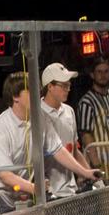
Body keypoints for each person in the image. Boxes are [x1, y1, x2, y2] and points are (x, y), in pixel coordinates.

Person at [0, 72, 99, 213]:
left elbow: (58, 150)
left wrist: (86, 172)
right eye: (30, 89)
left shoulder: (40, 118)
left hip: (16, 193)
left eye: (37, 89)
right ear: (15, 97)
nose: (37, 93)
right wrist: (34, 188)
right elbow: (5, 175)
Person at [37, 63, 91, 199]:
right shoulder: (37, 113)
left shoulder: (69, 111)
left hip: (71, 190)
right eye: (64, 86)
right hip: (48, 194)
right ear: (50, 86)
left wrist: (89, 173)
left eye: (69, 85)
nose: (68, 89)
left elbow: (75, 149)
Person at [77, 57, 109, 183]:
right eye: (99, 72)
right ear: (92, 75)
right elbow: (86, 136)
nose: (103, 75)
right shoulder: (86, 102)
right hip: (101, 164)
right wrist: (97, 166)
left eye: (106, 71)